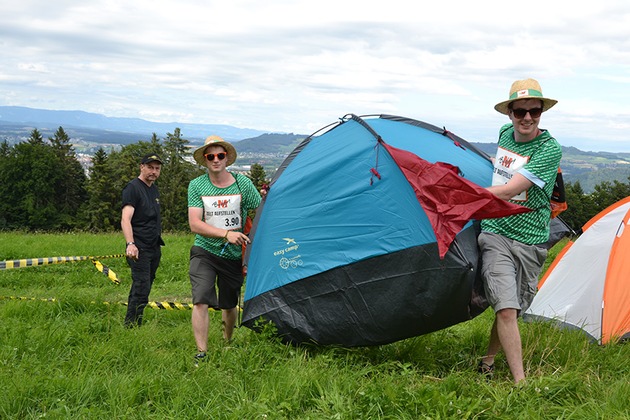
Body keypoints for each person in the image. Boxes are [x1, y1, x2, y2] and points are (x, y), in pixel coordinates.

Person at [477, 78, 562, 384]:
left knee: (509, 306)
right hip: (496, 231)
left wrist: (472, 194)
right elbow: (502, 168)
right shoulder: (503, 135)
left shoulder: (549, 149)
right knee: (506, 308)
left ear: (541, 112)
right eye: (520, 111)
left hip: (530, 240)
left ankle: (486, 361)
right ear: (509, 113)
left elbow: (515, 186)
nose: (527, 117)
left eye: (534, 111)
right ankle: (520, 384)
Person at [188, 135, 261, 364]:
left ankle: (227, 341)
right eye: (211, 156)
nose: (216, 160)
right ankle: (201, 352)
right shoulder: (197, 185)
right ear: (205, 160)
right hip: (205, 251)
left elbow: (259, 212)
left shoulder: (243, 184)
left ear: (227, 158)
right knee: (200, 299)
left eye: (220, 155)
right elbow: (194, 224)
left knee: (229, 305)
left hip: (233, 255)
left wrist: (251, 244)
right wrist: (226, 234)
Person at [121, 153, 165, 327]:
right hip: (139, 247)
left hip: (154, 245)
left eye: (157, 169)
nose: (153, 172)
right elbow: (126, 219)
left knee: (146, 284)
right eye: (150, 167)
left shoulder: (153, 189)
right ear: (141, 167)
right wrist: (130, 244)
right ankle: (131, 326)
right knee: (141, 286)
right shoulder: (132, 188)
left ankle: (134, 320)